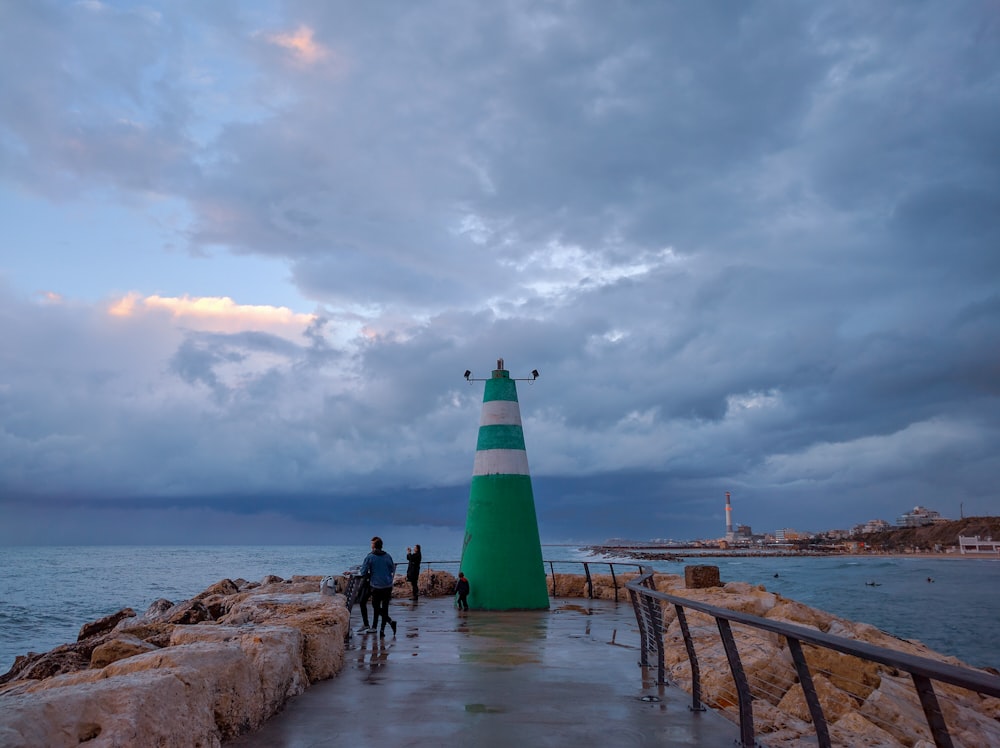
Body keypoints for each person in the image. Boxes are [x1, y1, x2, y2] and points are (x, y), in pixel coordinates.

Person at [360, 536, 398, 637]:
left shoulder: (370, 557)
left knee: (376, 607)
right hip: (388, 585)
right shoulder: (388, 556)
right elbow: (391, 569)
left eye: (371, 544)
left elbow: (363, 572)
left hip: (376, 586)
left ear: (374, 546)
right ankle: (381, 630)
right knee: (385, 608)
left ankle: (378, 625)